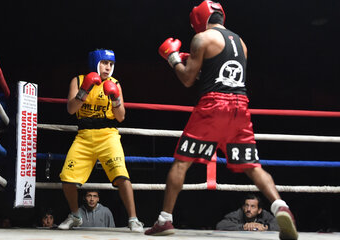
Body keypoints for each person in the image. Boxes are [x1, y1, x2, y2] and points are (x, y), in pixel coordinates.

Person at [145, 1, 298, 239]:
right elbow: (217, 75)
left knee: (182, 162)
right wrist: (192, 61)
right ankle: (281, 205)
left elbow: (187, 79)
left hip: (213, 107)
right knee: (253, 166)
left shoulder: (202, 39)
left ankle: (164, 220)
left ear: (199, 19)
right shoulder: (241, 43)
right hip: (240, 107)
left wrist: (173, 58)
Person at [58, 49, 143, 232]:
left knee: (122, 176)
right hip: (84, 136)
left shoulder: (115, 84)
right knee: (67, 179)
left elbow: (121, 117)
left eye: (111, 64)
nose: (108, 67)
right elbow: (71, 110)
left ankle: (133, 219)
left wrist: (115, 97)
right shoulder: (79, 80)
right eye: (104, 63)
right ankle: (75, 216)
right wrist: (85, 90)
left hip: (108, 135)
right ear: (95, 63)